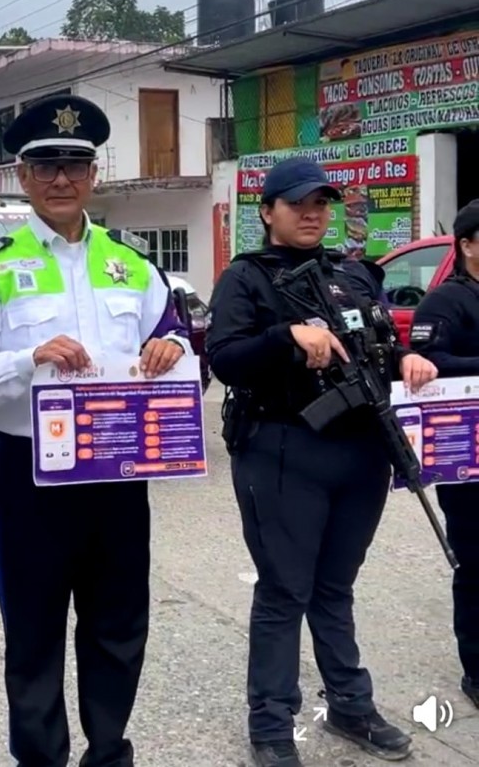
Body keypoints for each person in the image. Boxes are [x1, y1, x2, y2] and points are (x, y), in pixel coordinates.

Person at [0, 95, 191, 767]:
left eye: (75, 166)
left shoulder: (132, 262)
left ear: (93, 175)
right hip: (32, 473)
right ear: (22, 177)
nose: (61, 179)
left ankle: (108, 752)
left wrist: (171, 351)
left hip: (116, 472)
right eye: (46, 166)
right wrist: (31, 358)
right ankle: (41, 757)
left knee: (119, 625)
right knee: (32, 631)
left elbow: (176, 342)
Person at [205, 158, 437, 767]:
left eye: (320, 205)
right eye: (297, 204)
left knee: (335, 587)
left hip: (361, 453)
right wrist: (286, 337)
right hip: (284, 449)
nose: (311, 214)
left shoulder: (353, 274)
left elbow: (379, 344)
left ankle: (350, 706)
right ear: (268, 211)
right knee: (285, 590)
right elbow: (224, 359)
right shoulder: (247, 277)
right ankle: (271, 724)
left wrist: (408, 360)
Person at [407, 200, 479, 711]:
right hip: (469, 455)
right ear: (467, 245)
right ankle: (476, 669)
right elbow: (429, 363)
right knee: (476, 564)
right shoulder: (446, 301)